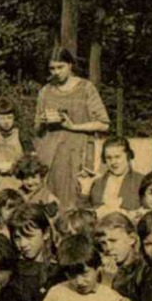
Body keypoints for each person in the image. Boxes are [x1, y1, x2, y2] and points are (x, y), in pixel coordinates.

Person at [34, 48, 110, 210]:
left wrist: (73, 126)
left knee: (76, 198)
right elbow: (37, 131)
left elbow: (104, 123)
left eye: (60, 67)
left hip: (78, 152)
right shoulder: (45, 91)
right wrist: (42, 122)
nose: (56, 72)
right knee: (50, 200)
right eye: (52, 68)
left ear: (70, 65)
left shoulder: (85, 88)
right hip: (51, 154)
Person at [84, 136, 143, 214]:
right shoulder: (97, 183)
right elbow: (84, 215)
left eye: (117, 157)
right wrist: (84, 191)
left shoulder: (140, 181)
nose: (113, 162)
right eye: (109, 158)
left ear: (128, 156)